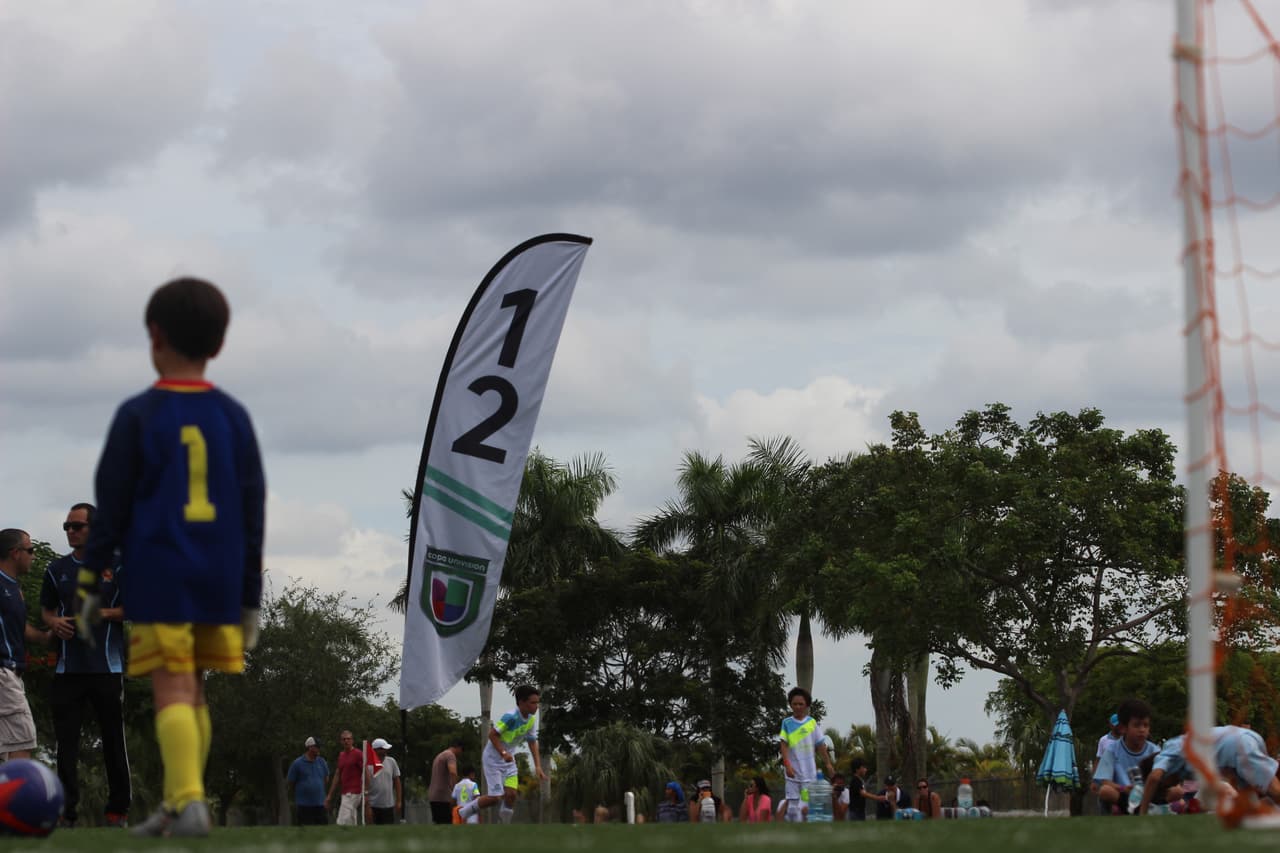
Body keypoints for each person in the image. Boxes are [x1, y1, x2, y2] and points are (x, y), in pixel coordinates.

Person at [77, 277, 267, 839]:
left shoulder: (138, 414)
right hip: (218, 573)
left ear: (153, 334)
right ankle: (180, 800)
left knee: (170, 681)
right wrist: (250, 596)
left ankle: (187, 803)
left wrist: (89, 583)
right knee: (195, 685)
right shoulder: (234, 416)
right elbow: (254, 510)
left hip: (161, 569)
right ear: (220, 342)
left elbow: (109, 511)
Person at [41, 502, 130, 828]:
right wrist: (55, 624)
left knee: (113, 742)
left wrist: (101, 613)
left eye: (77, 526)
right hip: (68, 669)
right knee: (66, 745)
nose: (71, 531)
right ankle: (66, 813)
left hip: (107, 668)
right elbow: (47, 611)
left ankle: (117, 810)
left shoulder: (117, 565)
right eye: (67, 526)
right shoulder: (55, 568)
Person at [1138, 725, 1280, 816]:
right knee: (1251, 805)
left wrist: (1142, 812)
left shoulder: (1165, 754)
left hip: (1237, 746)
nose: (1174, 784)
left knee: (1274, 790)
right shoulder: (1180, 759)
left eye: (1167, 785)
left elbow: (1154, 778)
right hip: (1240, 741)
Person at [456, 685, 548, 824]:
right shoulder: (510, 717)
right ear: (522, 703)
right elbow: (492, 735)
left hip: (509, 760)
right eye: (533, 703)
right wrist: (503, 753)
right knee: (495, 798)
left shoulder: (530, 720)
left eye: (537, 702)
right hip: (493, 759)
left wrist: (538, 766)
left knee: (511, 795)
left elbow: (532, 742)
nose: (536, 706)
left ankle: (504, 826)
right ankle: (462, 812)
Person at [0, 530, 53, 761]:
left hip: (11, 674)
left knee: (7, 749)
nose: (33, 555)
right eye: (30, 550)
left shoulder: (13, 587)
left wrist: (48, 635)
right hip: (4, 672)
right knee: (22, 745)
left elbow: (20, 628)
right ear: (15, 553)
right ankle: (21, 798)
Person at [1091, 698, 1158, 814]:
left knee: (1176, 791)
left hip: (1148, 794)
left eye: (1145, 725)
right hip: (1123, 794)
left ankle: (1141, 808)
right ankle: (1132, 809)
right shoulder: (1112, 749)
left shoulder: (1154, 750)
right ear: (1124, 728)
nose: (1142, 730)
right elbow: (1104, 781)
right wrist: (1122, 788)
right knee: (1105, 791)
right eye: (1137, 725)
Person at [778, 686, 835, 822]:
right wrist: (787, 765)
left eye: (801, 704)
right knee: (792, 806)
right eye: (794, 704)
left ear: (807, 705)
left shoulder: (811, 723)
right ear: (790, 704)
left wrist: (828, 764)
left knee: (804, 805)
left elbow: (820, 745)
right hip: (792, 774)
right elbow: (784, 745)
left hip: (808, 775)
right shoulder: (787, 723)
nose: (797, 707)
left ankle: (804, 830)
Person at [287, 737, 330, 826]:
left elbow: (326, 779)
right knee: (305, 832)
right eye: (317, 747)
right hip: (304, 805)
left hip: (320, 804)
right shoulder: (297, 763)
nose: (319, 749)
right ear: (310, 747)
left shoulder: (322, 762)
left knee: (323, 831)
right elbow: (291, 782)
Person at [325, 730, 364, 825]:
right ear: (341, 742)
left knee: (342, 821)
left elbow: (366, 772)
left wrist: (366, 792)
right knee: (351, 819)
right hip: (345, 791)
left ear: (352, 741)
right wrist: (330, 795)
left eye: (348, 739)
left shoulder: (358, 754)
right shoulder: (341, 755)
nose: (346, 741)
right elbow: (337, 775)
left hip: (355, 791)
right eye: (344, 739)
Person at [365, 737, 401, 825]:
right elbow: (364, 786)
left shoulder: (391, 761)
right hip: (373, 805)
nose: (385, 751)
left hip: (388, 805)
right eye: (383, 749)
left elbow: (397, 782)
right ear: (376, 750)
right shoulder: (368, 765)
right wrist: (367, 806)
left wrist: (399, 801)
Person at [428, 738, 465, 825]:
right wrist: (455, 792)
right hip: (443, 797)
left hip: (434, 795)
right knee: (446, 825)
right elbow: (453, 773)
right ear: (459, 747)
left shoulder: (440, 755)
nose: (461, 753)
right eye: (462, 750)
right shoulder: (450, 755)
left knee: (438, 824)